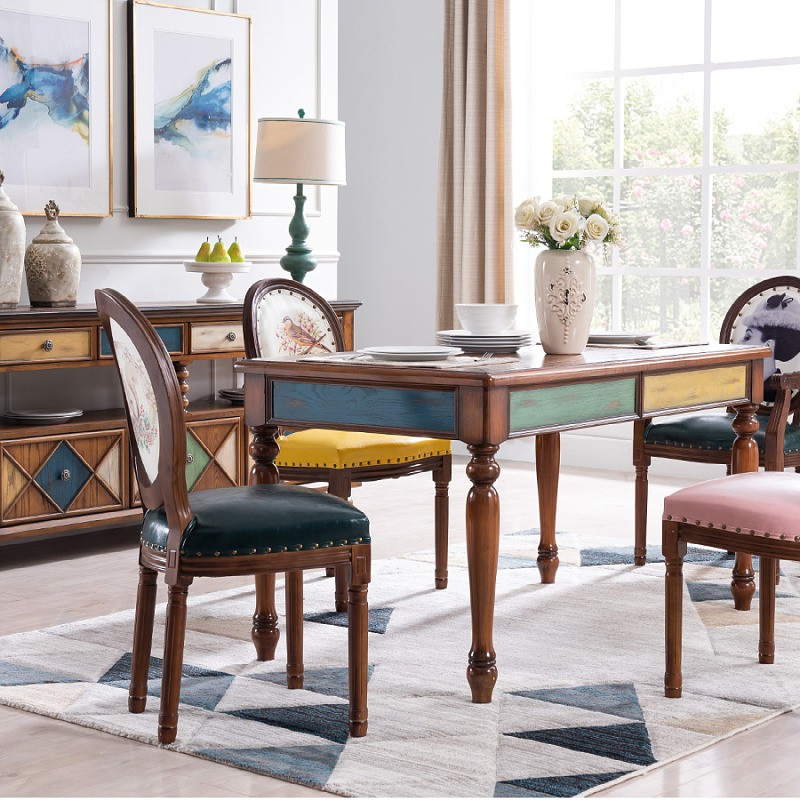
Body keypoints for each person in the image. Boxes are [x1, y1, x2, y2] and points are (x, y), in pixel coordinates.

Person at [737, 292, 800, 402]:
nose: (738, 343)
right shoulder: (741, 383)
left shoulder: (776, 391)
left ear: (768, 346)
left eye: (747, 337)